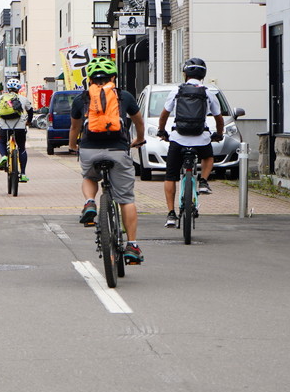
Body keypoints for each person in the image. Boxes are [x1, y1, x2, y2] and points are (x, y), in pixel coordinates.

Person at [67, 57, 147, 263]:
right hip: (118, 150)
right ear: (113, 77)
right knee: (126, 199)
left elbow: (75, 128)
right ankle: (132, 246)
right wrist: (139, 139)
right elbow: (138, 122)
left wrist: (73, 146)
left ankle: (90, 203)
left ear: (90, 79)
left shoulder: (81, 99)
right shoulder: (124, 96)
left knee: (89, 176)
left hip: (89, 150)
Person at [157, 57, 225, 228]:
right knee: (208, 157)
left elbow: (164, 114)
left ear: (185, 74)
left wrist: (162, 131)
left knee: (170, 175)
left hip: (178, 138)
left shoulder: (177, 91)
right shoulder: (208, 92)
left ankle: (171, 214)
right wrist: (219, 133)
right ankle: (203, 181)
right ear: (203, 75)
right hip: (200, 139)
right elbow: (218, 118)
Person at [0, 77, 35, 182]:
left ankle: (4, 156)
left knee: (1, 142)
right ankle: (23, 173)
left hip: (4, 127)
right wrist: (28, 122)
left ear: (8, 88)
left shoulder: (1, 98)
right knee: (22, 148)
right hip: (19, 128)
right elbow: (30, 111)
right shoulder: (23, 99)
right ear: (18, 89)